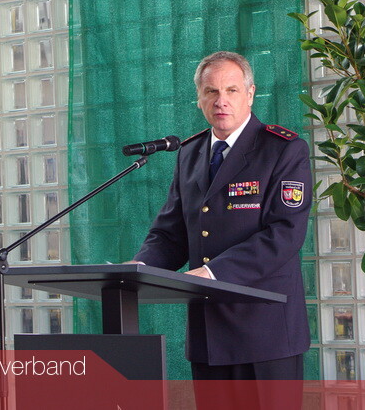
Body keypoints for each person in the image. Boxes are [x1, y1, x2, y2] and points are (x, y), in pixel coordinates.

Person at [130, 51, 312, 391]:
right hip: (209, 334)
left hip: (266, 333)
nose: (221, 101)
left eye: (231, 90)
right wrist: (138, 267)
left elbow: (284, 234)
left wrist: (213, 273)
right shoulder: (190, 153)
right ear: (199, 98)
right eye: (211, 91)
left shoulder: (282, 149)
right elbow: (171, 234)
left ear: (250, 94)